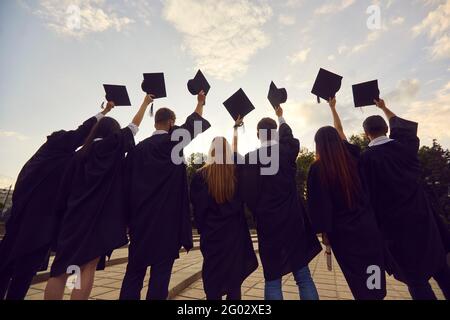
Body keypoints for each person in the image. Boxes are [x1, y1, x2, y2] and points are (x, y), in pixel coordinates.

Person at [43, 94, 153, 300]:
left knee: (61, 269)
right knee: (86, 269)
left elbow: (63, 191)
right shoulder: (112, 146)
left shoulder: (79, 155)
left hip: (73, 218)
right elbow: (133, 127)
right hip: (98, 220)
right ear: (113, 132)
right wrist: (146, 102)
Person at [0, 105, 112, 300]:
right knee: (67, 270)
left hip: (29, 224)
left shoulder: (47, 159)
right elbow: (81, 132)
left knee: (13, 269)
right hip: (57, 228)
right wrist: (103, 114)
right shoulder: (75, 157)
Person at [120, 91, 211, 300]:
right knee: (160, 279)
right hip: (167, 225)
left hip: (140, 224)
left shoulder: (136, 151)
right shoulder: (173, 144)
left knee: (133, 275)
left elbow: (125, 187)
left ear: (155, 124)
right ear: (171, 123)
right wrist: (200, 103)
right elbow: (193, 124)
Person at [360, 99, 450, 300]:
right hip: (424, 218)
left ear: (366, 134)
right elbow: (401, 126)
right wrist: (383, 107)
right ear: (386, 128)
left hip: (395, 228)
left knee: (416, 280)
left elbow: (366, 196)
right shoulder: (405, 147)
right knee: (442, 269)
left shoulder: (366, 159)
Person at [307, 98, 386, 300]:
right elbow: (340, 131)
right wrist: (333, 108)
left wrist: (325, 235)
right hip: (368, 229)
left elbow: (319, 206)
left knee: (359, 285)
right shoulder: (354, 158)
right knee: (375, 284)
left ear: (318, 146)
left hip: (344, 236)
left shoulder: (317, 169)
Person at [240, 105, 322, 300]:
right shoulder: (285, 151)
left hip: (268, 224)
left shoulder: (250, 159)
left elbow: (248, 195)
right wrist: (281, 117)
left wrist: (260, 211)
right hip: (293, 221)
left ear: (258, 135)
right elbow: (290, 139)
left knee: (272, 279)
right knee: (303, 276)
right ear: (275, 134)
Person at [190, 116, 258, 300]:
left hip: (212, 237)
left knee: (213, 284)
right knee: (234, 285)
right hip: (234, 237)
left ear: (211, 151)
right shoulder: (236, 172)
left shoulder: (200, 176)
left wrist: (204, 229)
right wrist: (235, 130)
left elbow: (199, 210)